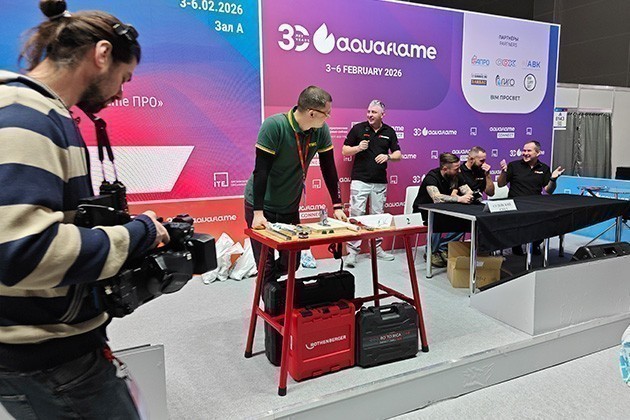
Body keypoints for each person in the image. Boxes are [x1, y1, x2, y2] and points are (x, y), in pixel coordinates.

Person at [0, 1, 169, 418]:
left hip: (52, 351)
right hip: (50, 362)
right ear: (102, 54)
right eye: (123, 78)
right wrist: (140, 233)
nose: (121, 93)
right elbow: (23, 250)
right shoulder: (26, 117)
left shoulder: (45, 114)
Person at [244, 86, 347, 284]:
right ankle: (271, 296)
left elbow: (328, 167)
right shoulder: (274, 126)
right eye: (326, 113)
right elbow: (261, 171)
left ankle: (274, 291)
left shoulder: (321, 131)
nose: (328, 118)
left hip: (289, 206)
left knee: (291, 262)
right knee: (265, 266)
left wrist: (337, 205)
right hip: (261, 205)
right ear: (312, 113)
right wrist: (258, 212)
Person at [342, 100, 401, 267]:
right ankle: (352, 253)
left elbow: (398, 154)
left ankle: (376, 249)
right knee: (356, 215)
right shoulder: (358, 129)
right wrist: (358, 148)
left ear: (382, 114)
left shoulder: (389, 131)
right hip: (360, 180)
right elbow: (345, 150)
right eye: (368, 111)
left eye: (374, 112)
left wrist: (388, 156)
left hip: (379, 182)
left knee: (378, 217)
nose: (370, 115)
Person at [497, 140, 565, 255]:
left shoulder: (544, 168)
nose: (525, 153)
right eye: (524, 150)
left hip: (535, 205)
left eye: (529, 151)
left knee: (548, 220)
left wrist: (553, 179)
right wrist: (503, 172)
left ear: (538, 153)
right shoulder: (514, 165)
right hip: (515, 205)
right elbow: (500, 184)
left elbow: (549, 190)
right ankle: (516, 244)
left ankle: (535, 244)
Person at [412, 153, 474, 267]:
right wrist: (459, 198)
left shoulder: (456, 175)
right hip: (424, 211)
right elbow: (437, 198)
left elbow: (468, 191)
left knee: (466, 220)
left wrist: (469, 195)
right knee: (437, 218)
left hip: (445, 210)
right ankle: (432, 251)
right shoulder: (432, 177)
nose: (459, 171)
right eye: (456, 169)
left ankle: (444, 246)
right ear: (445, 169)